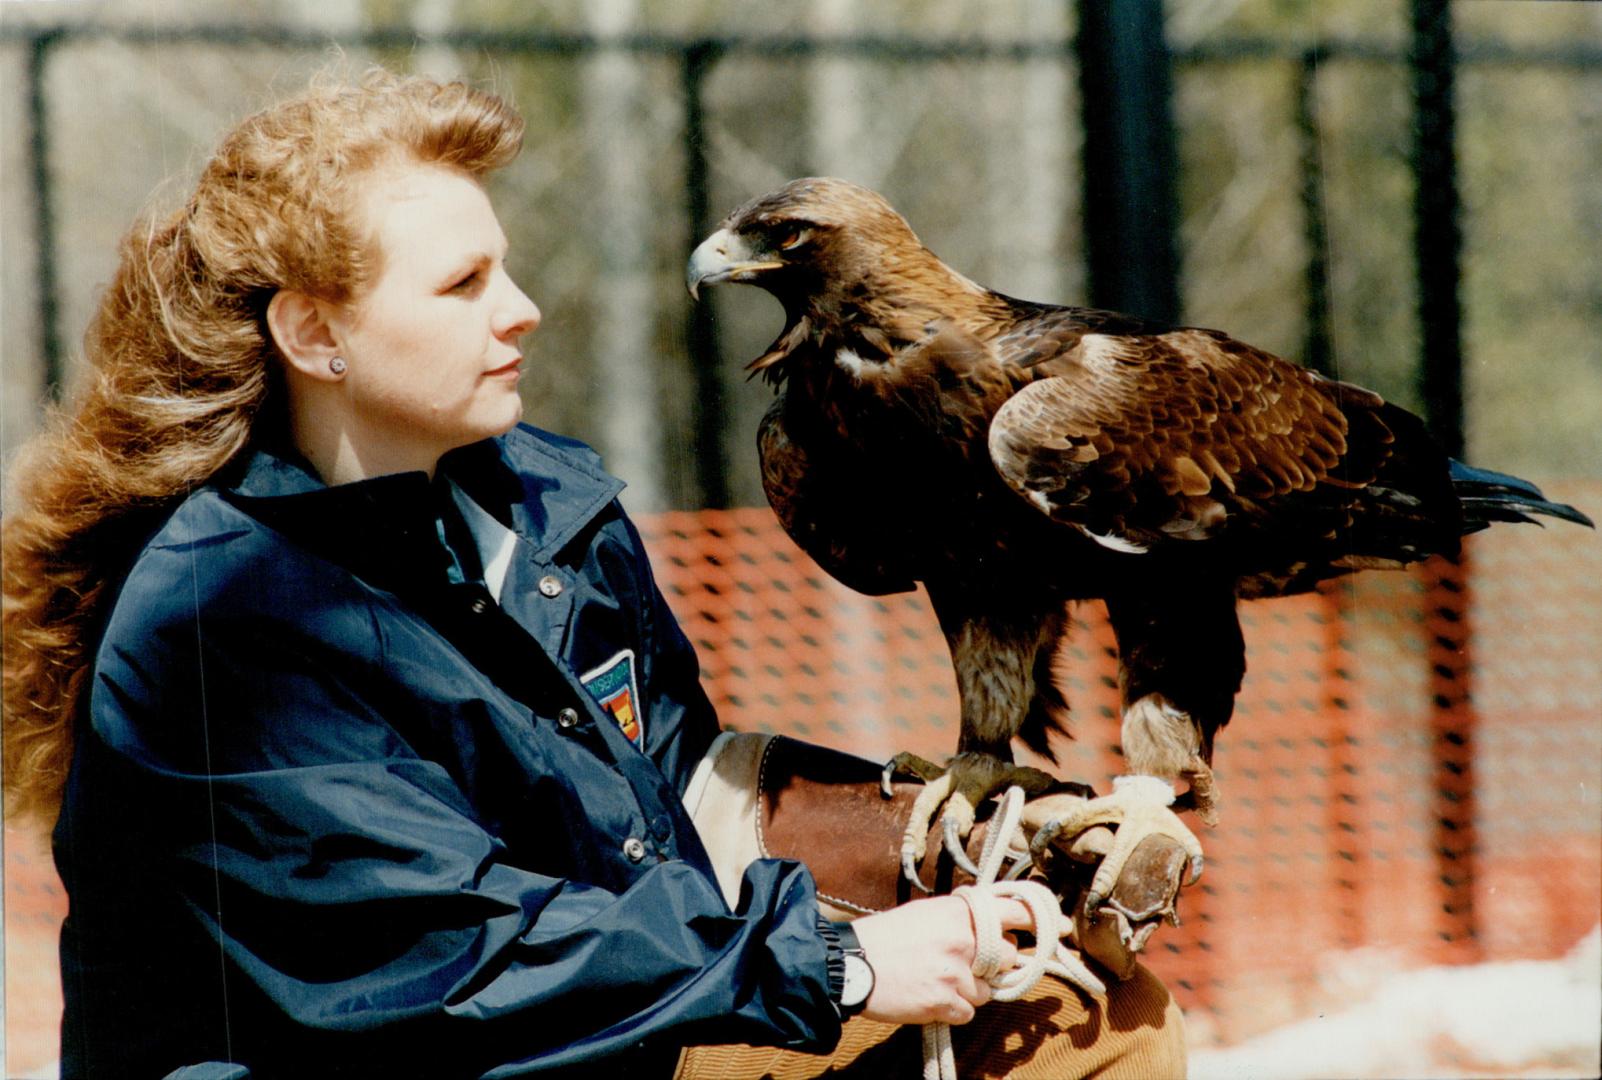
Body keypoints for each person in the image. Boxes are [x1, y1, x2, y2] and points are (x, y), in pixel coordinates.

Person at [1, 69, 1186, 1078]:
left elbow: (665, 802)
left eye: (503, 270)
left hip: (590, 1037)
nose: (520, 312)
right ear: (314, 335)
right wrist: (847, 960)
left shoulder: (541, 506)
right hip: (410, 1050)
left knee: (1081, 1021)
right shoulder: (228, 621)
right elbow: (448, 961)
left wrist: (931, 841)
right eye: (462, 286)